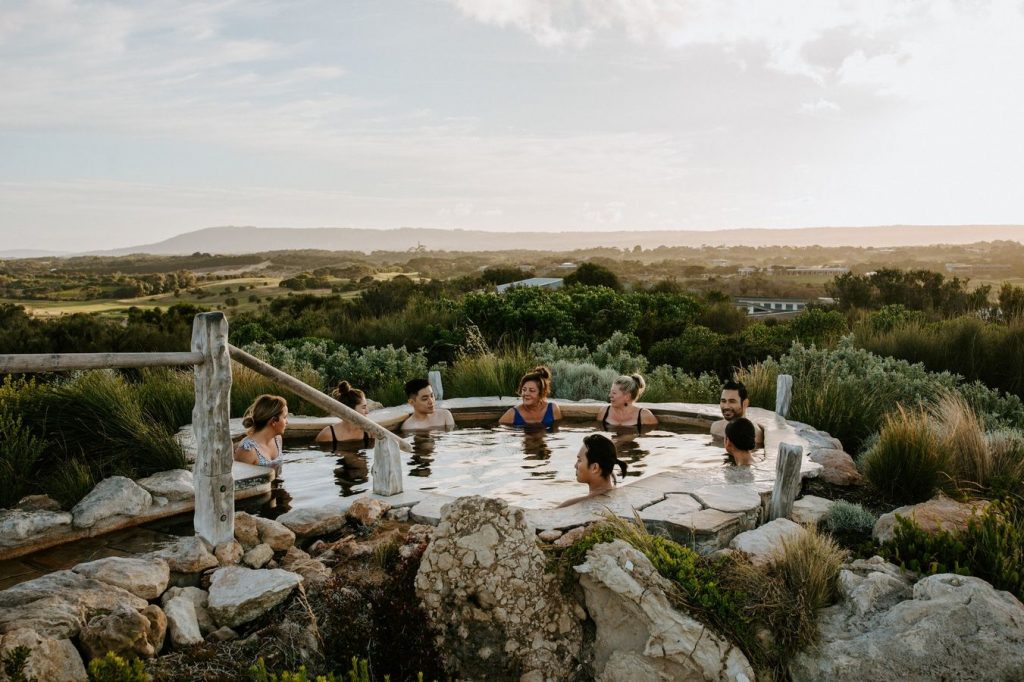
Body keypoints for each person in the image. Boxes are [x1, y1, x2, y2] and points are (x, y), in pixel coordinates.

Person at [558, 434, 628, 507]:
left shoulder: (570, 505)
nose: (575, 466)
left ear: (595, 468)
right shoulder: (620, 495)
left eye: (579, 460)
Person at [234, 394, 288, 466]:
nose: (287, 422)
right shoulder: (247, 450)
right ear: (273, 421)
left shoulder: (277, 439)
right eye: (284, 417)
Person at [316, 381, 372, 447]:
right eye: (363, 407)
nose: (367, 411)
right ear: (350, 410)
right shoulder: (328, 434)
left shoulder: (369, 432)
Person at [710, 379, 764, 446]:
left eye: (732, 401)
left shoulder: (755, 433)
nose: (726, 406)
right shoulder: (716, 428)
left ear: (745, 403)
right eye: (723, 401)